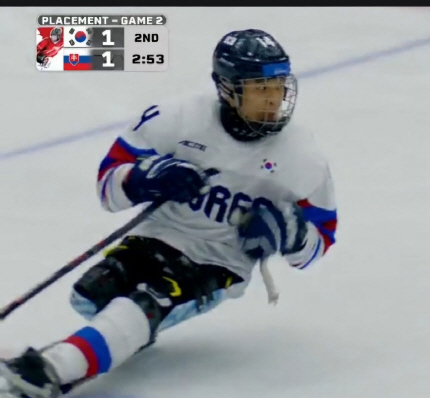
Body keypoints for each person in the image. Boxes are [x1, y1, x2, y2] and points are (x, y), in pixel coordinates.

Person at [1, 28, 338, 398]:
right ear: (227, 89)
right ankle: (128, 332)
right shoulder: (176, 119)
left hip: (217, 263)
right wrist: (146, 178)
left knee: (146, 301)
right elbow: (108, 186)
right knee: (91, 295)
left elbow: (320, 239)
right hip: (155, 238)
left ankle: (55, 368)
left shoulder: (303, 158)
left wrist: (291, 234)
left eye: (277, 87)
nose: (273, 100)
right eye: (260, 89)